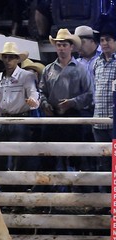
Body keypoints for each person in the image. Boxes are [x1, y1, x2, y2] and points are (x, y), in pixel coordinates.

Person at [39, 29, 93, 190]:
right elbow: (41, 92)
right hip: (52, 117)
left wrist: (72, 102)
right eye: (59, 45)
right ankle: (50, 194)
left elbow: (90, 94)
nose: (61, 48)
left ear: (71, 47)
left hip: (73, 117)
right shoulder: (48, 69)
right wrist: (45, 104)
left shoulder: (80, 69)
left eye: (64, 45)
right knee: (49, 157)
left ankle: (80, 194)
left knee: (76, 156)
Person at [0, 42, 39, 189]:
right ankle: (2, 190)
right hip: (4, 119)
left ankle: (16, 192)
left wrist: (33, 101)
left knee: (19, 159)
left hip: (21, 119)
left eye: (11, 57)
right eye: (6, 57)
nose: (8, 60)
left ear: (17, 59)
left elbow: (34, 94)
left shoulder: (27, 76)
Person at [75, 25, 101, 188]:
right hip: (80, 111)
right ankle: (85, 189)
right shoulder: (75, 63)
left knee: (101, 152)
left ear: (92, 42)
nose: (78, 46)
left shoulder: (105, 59)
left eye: (81, 42)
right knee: (82, 151)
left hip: (99, 109)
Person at [92, 21, 116, 193]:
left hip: (114, 122)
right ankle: (104, 200)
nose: (104, 43)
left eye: (108, 39)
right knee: (102, 162)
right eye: (102, 40)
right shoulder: (97, 63)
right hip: (98, 121)